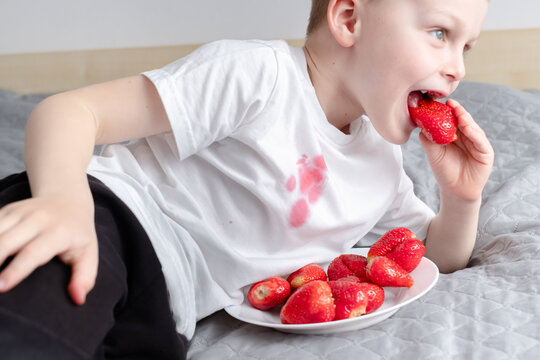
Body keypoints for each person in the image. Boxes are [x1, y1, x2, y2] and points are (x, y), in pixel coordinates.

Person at [0, 0, 493, 358]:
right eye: (439, 34)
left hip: (172, 308)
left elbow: (432, 260)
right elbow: (72, 111)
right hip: (109, 221)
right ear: (349, 19)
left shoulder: (380, 162)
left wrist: (461, 198)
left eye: (467, 47)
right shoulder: (258, 75)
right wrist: (64, 203)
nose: (458, 69)